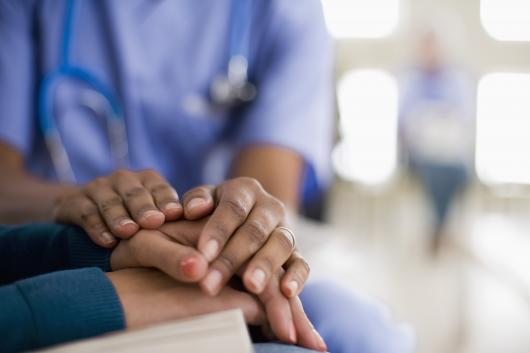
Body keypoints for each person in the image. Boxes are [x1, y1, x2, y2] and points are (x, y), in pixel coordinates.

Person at [0, 1, 414, 352]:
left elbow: (265, 195)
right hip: (61, 251)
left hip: (207, 264)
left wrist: (236, 227)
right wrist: (75, 204)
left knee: (357, 329)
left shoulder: (284, 11)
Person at [399, 25, 475, 253]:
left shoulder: (456, 80)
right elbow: (404, 121)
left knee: (457, 172)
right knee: (434, 171)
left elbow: (463, 117)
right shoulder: (411, 80)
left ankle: (438, 226)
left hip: (449, 152)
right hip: (419, 153)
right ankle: (440, 228)